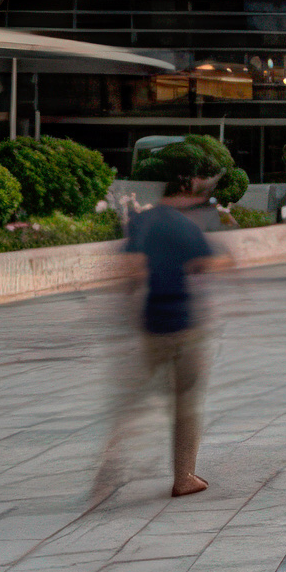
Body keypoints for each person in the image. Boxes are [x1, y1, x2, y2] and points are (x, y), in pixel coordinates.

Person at [94, 157, 229, 503]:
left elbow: (132, 270)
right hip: (186, 326)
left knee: (131, 405)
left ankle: (106, 475)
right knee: (186, 406)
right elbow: (210, 263)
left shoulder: (142, 220)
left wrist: (125, 316)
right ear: (185, 189)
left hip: (151, 326)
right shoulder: (187, 227)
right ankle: (183, 477)